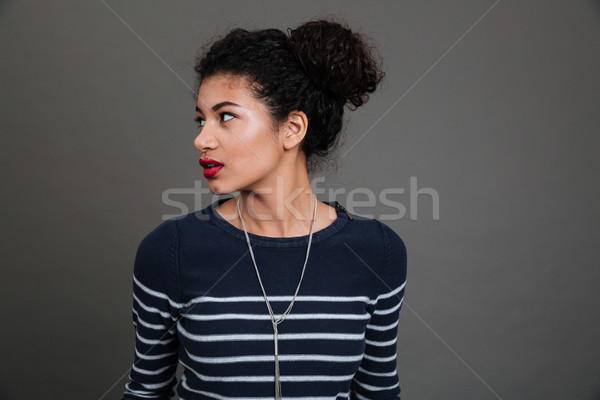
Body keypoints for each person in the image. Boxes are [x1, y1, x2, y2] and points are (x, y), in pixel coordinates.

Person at [121, 17, 408, 400]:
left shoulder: (377, 252)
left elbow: (379, 393)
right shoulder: (171, 250)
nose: (201, 139)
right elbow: (145, 392)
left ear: (292, 128)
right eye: (200, 120)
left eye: (225, 117)